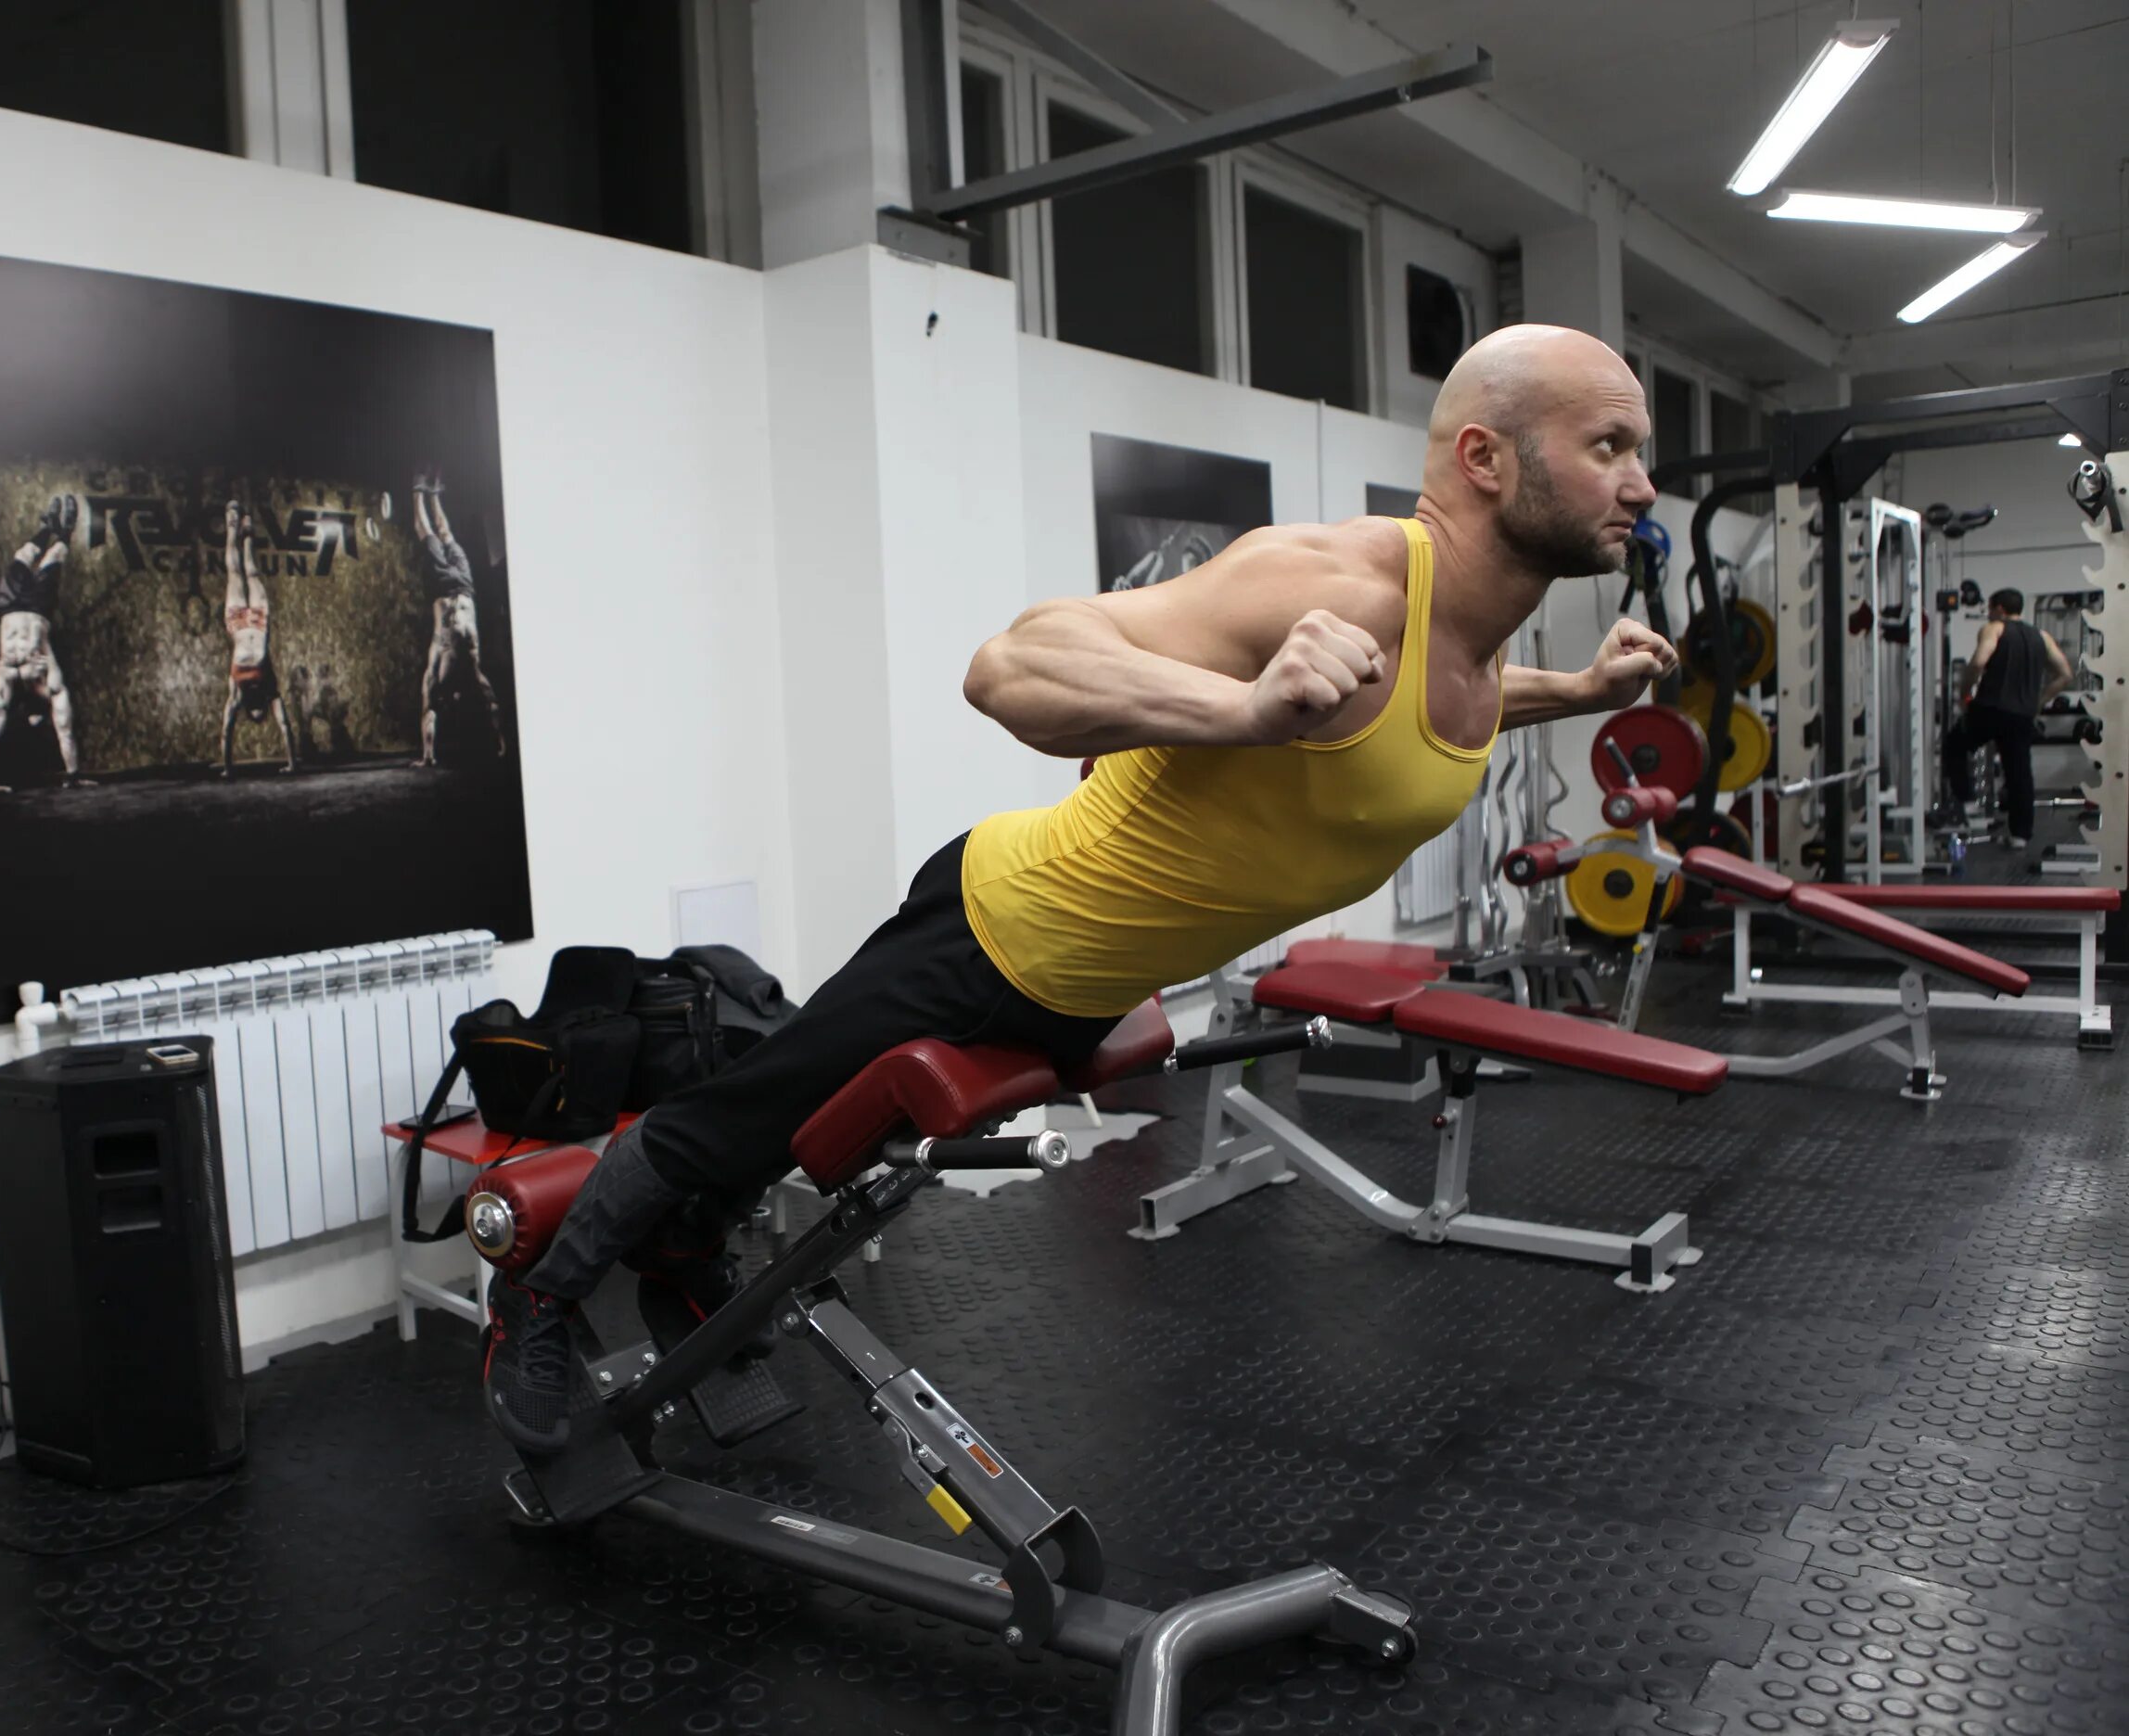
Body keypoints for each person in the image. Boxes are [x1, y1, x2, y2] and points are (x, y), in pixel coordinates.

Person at [481, 325, 1679, 1453]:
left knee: (818, 1146)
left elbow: (1415, 724)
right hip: (992, 933)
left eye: (1641, 454)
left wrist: (1577, 693)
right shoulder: (1334, 585)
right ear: (1484, 457)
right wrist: (1246, 712)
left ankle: (688, 1254)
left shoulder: (1471, 645)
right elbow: (1010, 666)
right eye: (1608, 447)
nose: (1640, 487)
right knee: (733, 1118)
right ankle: (536, 1296)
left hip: (1086, 988)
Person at [1943, 588, 2071, 841]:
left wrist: (1964, 695)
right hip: (2022, 714)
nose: (1989, 615)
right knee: (2019, 772)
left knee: (1953, 746)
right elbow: (2065, 675)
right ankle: (2020, 836)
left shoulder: (1995, 629)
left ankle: (1968, 804)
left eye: (1990, 610)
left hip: (1991, 708)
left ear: (1999, 609)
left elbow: (1978, 662)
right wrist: (2038, 702)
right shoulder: (2042, 636)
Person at [0, 496, 83, 793]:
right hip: (37, 609)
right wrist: (73, 774)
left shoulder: (6, 680)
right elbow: (65, 727)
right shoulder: (50, 677)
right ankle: (65, 532)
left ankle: (47, 527)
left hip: (8, 608)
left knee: (22, 556)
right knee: (54, 557)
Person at [412, 470, 508, 766]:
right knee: (444, 535)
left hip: (451, 588)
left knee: (432, 535)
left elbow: (429, 704)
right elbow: (492, 704)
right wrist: (502, 744)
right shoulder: (473, 667)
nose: (454, 697)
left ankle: (420, 491)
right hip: (463, 588)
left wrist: (428, 756)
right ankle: (433, 494)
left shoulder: (440, 660)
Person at [221, 498, 300, 777]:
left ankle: (232, 523)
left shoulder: (236, 694)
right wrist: (291, 764)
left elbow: (226, 731)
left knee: (234, 572)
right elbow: (285, 726)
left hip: (240, 625)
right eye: (259, 712)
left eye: (252, 712)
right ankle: (247, 532)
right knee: (251, 571)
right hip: (258, 622)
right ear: (263, 707)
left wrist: (228, 768)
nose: (255, 710)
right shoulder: (270, 687)